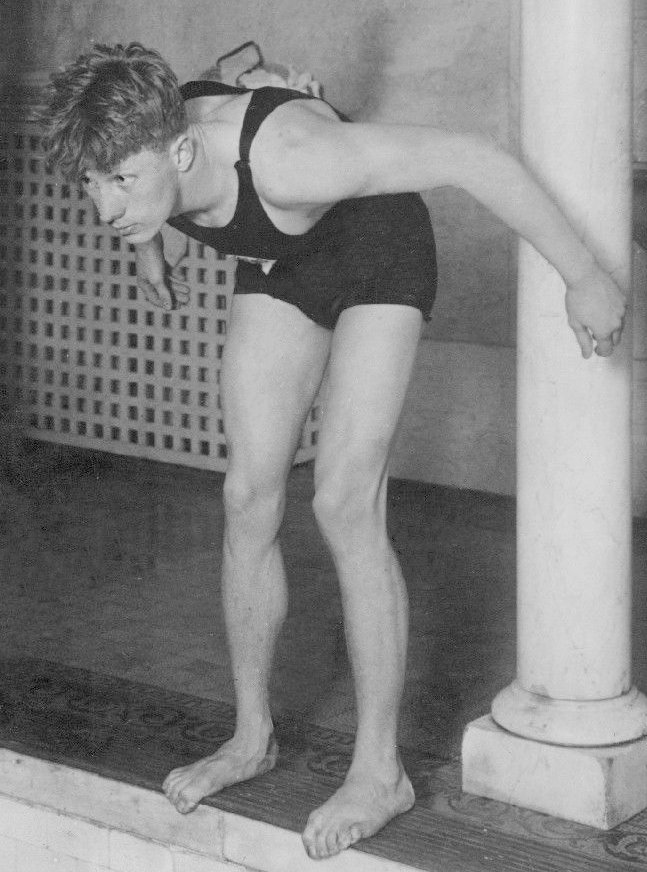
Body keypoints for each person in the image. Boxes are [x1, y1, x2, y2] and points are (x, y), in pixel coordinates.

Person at [42, 42, 626, 860]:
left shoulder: (295, 159)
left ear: (181, 153)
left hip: (377, 251)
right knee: (247, 495)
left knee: (343, 501)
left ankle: (380, 772)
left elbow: (473, 158)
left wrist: (584, 275)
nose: (105, 207)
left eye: (120, 183)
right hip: (284, 258)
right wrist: (148, 246)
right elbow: (173, 138)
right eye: (90, 184)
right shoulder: (153, 139)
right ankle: (251, 738)